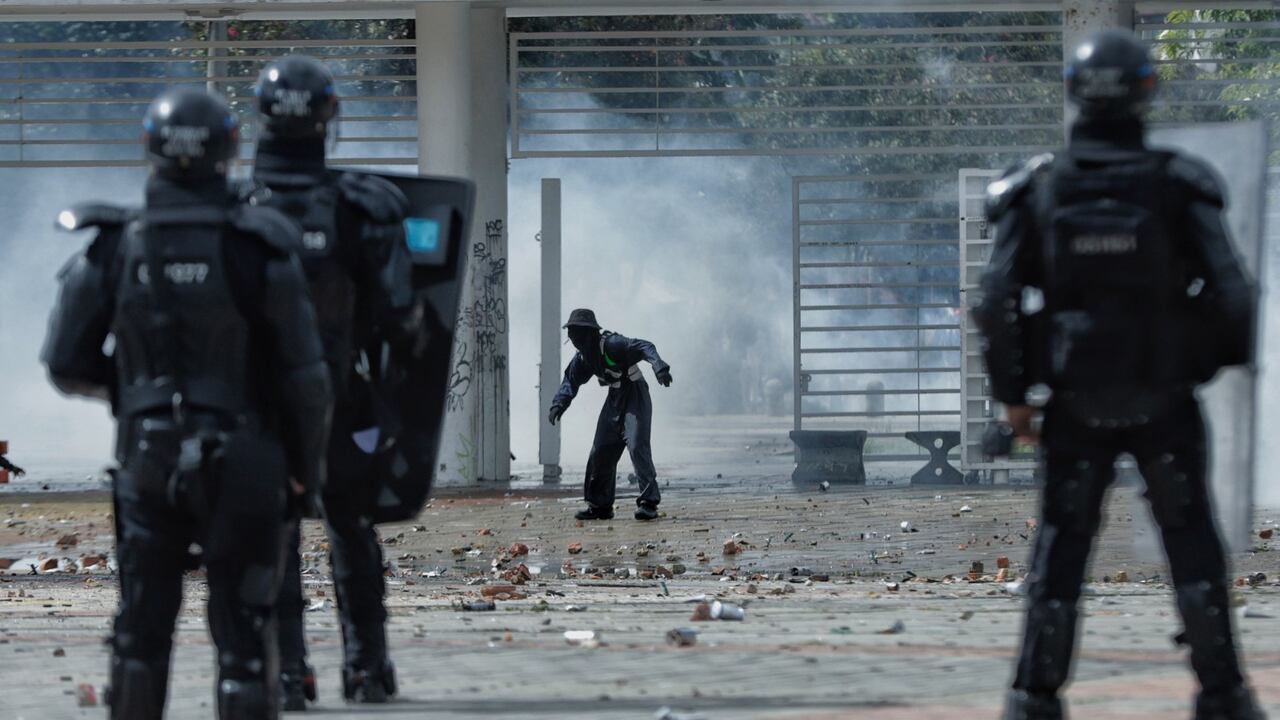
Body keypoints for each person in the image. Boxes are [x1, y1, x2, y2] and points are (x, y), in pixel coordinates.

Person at [975, 30, 1264, 720]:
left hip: (1074, 404)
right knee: (1192, 544)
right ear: (1146, 91)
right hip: (1166, 400)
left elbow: (994, 301)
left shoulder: (1037, 187)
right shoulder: (1177, 181)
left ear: (1074, 94)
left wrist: (1014, 401)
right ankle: (1222, 697)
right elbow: (1236, 296)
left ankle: (1033, 700)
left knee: (1061, 551)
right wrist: (1194, 364)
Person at [41, 87, 331, 720]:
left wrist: (134, 395)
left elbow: (65, 363)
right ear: (231, 149)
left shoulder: (114, 244)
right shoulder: (261, 245)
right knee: (246, 643)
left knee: (140, 636)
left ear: (149, 149)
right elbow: (306, 379)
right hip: (249, 459)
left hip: (147, 460)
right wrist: (304, 472)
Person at [248, 54, 419, 708]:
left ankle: (288, 674)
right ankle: (367, 670)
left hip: (258, 410)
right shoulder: (365, 208)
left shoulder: (236, 209)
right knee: (351, 527)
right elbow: (404, 315)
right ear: (328, 120)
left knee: (277, 532)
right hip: (342, 399)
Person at [548, 309, 672, 521]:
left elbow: (645, 346)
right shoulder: (583, 358)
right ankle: (600, 506)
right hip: (614, 399)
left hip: (635, 395)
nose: (574, 339)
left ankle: (649, 503)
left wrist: (659, 367)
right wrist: (558, 404)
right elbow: (571, 381)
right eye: (571, 334)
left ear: (590, 333)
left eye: (577, 333)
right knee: (600, 450)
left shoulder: (613, 344)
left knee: (636, 444)